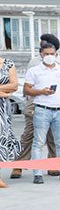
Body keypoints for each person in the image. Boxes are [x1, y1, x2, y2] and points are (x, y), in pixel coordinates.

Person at [10, 34, 60, 179]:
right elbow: (28, 88)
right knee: (29, 136)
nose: (42, 46)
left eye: (45, 44)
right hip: (36, 105)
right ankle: (19, 165)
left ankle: (53, 164)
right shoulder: (34, 62)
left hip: (57, 106)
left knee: (54, 139)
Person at [23, 41, 60, 184]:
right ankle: (38, 174)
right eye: (46, 54)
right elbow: (26, 90)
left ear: (56, 54)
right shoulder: (34, 71)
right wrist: (41, 91)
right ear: (41, 55)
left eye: (51, 54)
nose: (49, 56)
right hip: (42, 110)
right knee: (38, 143)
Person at [0, 53, 20, 187]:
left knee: (1, 139)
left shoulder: (8, 63)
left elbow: (14, 85)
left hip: (2, 109)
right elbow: (9, 87)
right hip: (3, 98)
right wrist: (4, 91)